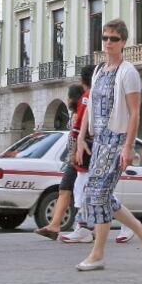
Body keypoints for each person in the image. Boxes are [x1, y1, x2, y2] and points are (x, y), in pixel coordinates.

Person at [72, 19, 142, 270]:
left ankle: (98, 253)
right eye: (105, 38)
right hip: (99, 140)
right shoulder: (100, 70)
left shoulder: (128, 71)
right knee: (99, 194)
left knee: (97, 193)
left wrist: (128, 146)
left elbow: (135, 113)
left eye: (114, 39)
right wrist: (80, 138)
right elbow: (89, 105)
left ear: (123, 42)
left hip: (117, 139)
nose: (109, 43)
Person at [36, 80, 89, 241]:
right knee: (66, 189)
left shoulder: (81, 109)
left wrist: (73, 153)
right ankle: (56, 225)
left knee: (78, 191)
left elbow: (78, 133)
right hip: (74, 157)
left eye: (68, 97)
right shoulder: (77, 112)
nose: (67, 101)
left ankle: (79, 226)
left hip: (80, 155)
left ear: (74, 98)